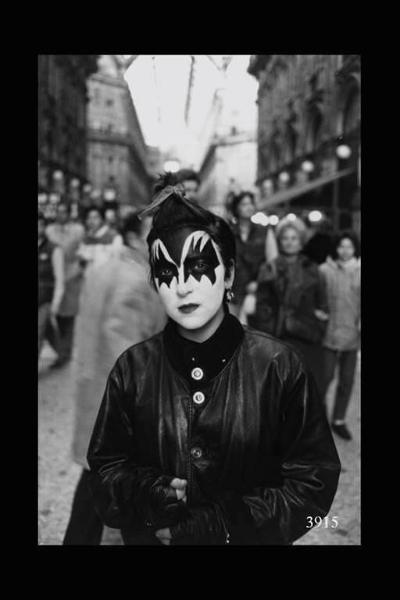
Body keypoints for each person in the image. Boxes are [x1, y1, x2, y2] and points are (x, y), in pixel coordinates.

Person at [86, 173, 340, 546]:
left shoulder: (280, 367)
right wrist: (147, 493)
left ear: (229, 275)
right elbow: (105, 472)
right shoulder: (132, 369)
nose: (183, 285)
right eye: (167, 272)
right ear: (155, 284)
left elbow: (314, 488)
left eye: (200, 266)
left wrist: (230, 523)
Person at [63, 212, 166, 545]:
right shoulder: (137, 281)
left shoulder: (107, 269)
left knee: (99, 487)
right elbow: (127, 349)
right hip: (122, 406)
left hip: (96, 394)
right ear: (138, 238)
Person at [249, 217, 329, 398]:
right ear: (279, 241)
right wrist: (268, 331)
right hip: (279, 335)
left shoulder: (312, 268)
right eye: (285, 238)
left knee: (310, 390)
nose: (290, 242)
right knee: (279, 391)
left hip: (308, 335)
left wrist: (319, 325)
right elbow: (262, 304)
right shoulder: (270, 268)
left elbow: (322, 303)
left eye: (294, 238)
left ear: (301, 241)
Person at [319, 232, 361, 440]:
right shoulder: (324, 270)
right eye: (341, 246)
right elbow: (316, 297)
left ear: (355, 249)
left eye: (350, 247)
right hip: (328, 334)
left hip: (353, 335)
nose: (345, 250)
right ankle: (317, 420)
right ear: (336, 248)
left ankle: (339, 420)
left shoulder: (360, 271)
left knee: (347, 380)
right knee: (324, 378)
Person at [46, 202, 85, 367]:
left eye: (64, 212)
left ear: (69, 213)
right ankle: (60, 349)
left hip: (71, 276)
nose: (60, 215)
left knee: (67, 317)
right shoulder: (49, 230)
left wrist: (80, 270)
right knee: (49, 316)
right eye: (58, 212)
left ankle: (65, 353)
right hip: (52, 277)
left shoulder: (78, 230)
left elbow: (83, 251)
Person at [229, 191, 270, 321]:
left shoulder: (264, 232)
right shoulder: (228, 231)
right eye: (244, 204)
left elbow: (273, 263)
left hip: (257, 291)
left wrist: (259, 282)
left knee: (254, 334)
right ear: (236, 207)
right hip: (233, 290)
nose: (248, 207)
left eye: (251, 203)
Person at [38, 212, 65, 360]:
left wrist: (55, 304)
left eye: (40, 225)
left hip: (44, 300)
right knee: (48, 331)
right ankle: (63, 353)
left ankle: (63, 353)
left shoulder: (54, 249)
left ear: (44, 227)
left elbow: (60, 278)